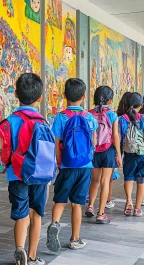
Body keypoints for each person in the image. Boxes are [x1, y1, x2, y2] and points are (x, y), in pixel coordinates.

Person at [0, 73, 48, 265]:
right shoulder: (43, 121)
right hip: (39, 175)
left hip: (16, 174)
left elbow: (2, 149)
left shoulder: (9, 121)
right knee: (36, 213)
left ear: (16, 94)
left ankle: (20, 249)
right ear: (40, 98)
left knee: (21, 213)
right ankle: (33, 256)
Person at [47, 78, 97, 252]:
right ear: (83, 97)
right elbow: (93, 142)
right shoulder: (89, 117)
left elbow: (56, 143)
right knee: (77, 203)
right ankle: (75, 239)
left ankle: (54, 224)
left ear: (64, 96)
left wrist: (60, 162)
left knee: (60, 199)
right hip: (85, 166)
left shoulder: (60, 117)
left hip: (67, 166)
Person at [86, 86, 122, 224]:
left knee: (94, 180)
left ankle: (90, 206)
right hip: (108, 150)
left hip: (94, 151)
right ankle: (101, 213)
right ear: (110, 100)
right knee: (105, 181)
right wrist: (118, 154)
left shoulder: (89, 114)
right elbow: (116, 136)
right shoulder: (112, 115)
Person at [119, 92, 144, 217]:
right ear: (141, 105)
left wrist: (119, 154)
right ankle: (137, 208)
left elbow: (119, 139)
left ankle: (129, 200)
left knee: (129, 178)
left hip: (128, 154)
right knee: (141, 180)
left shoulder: (122, 119)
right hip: (143, 154)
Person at [106, 92, 133, 209]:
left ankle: (92, 202)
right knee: (108, 178)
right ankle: (107, 200)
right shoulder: (136, 119)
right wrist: (118, 153)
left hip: (102, 148)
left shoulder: (119, 117)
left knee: (97, 179)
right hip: (121, 150)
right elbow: (117, 136)